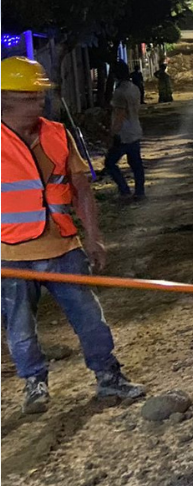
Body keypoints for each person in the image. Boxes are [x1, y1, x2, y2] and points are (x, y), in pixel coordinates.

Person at [1, 57, 145, 414]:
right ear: (7, 100)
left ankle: (109, 377)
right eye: (32, 97)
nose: (40, 103)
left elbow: (82, 189)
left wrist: (93, 237)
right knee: (19, 329)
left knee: (89, 319)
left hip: (64, 246)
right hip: (10, 255)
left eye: (40, 96)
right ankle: (34, 383)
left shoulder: (57, 134)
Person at [103, 60, 145, 201]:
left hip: (123, 133)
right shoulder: (134, 88)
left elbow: (120, 116)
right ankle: (139, 191)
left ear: (115, 75)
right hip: (135, 128)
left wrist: (112, 133)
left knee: (110, 163)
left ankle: (124, 189)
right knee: (136, 164)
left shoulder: (120, 93)